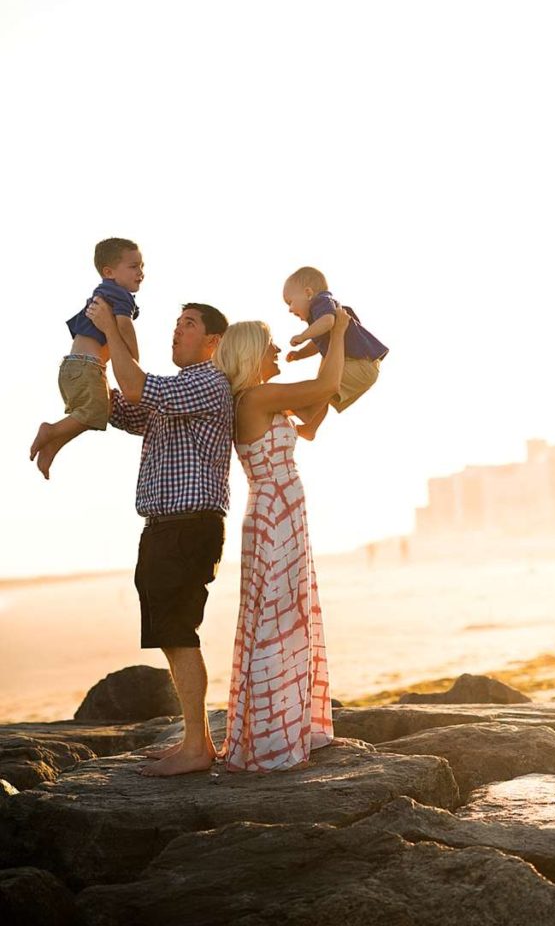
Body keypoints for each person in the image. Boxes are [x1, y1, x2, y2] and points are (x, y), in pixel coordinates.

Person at [86, 296, 232, 778]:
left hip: (188, 526)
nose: (176, 331)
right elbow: (126, 408)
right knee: (172, 634)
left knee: (179, 632)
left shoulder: (207, 382)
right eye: (175, 324)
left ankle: (196, 747)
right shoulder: (173, 389)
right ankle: (198, 740)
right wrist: (91, 361)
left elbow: (137, 386)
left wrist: (109, 326)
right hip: (166, 527)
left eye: (188, 325)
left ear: (213, 341)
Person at [212, 305, 350, 771]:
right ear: (252, 353)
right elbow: (326, 386)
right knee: (275, 619)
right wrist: (340, 336)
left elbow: (311, 420)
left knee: (287, 613)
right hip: (274, 510)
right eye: (269, 344)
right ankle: (271, 742)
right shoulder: (256, 397)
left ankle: (288, 729)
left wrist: (333, 355)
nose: (276, 349)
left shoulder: (264, 398)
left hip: (282, 509)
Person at [30, 237, 144, 479]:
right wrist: (133, 358)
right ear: (109, 272)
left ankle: (53, 445)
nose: (141, 273)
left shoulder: (104, 292)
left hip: (75, 367)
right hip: (88, 367)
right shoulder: (120, 296)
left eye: (142, 266)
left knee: (92, 413)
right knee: (93, 413)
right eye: (134, 267)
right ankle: (50, 431)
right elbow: (124, 326)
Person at [283, 266, 388, 439]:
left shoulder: (322, 301)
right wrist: (300, 353)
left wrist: (303, 336)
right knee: (323, 390)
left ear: (309, 293)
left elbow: (328, 322)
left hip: (360, 363)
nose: (289, 309)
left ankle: (307, 410)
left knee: (322, 387)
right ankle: (310, 428)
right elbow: (318, 344)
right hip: (359, 365)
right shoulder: (318, 315)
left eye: (290, 302)